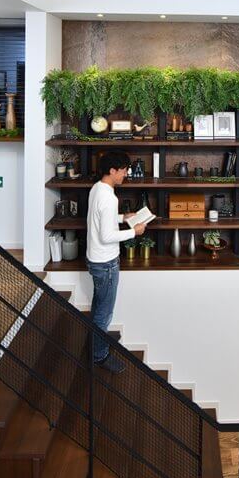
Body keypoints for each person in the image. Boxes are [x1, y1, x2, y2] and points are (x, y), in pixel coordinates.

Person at [86, 151, 146, 373]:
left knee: (98, 306)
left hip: (95, 259)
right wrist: (134, 231)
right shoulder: (109, 198)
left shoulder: (97, 188)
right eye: (123, 170)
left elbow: (100, 220)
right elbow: (107, 236)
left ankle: (94, 344)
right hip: (106, 263)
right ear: (112, 171)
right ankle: (99, 355)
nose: (126, 174)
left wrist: (123, 218)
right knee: (104, 313)